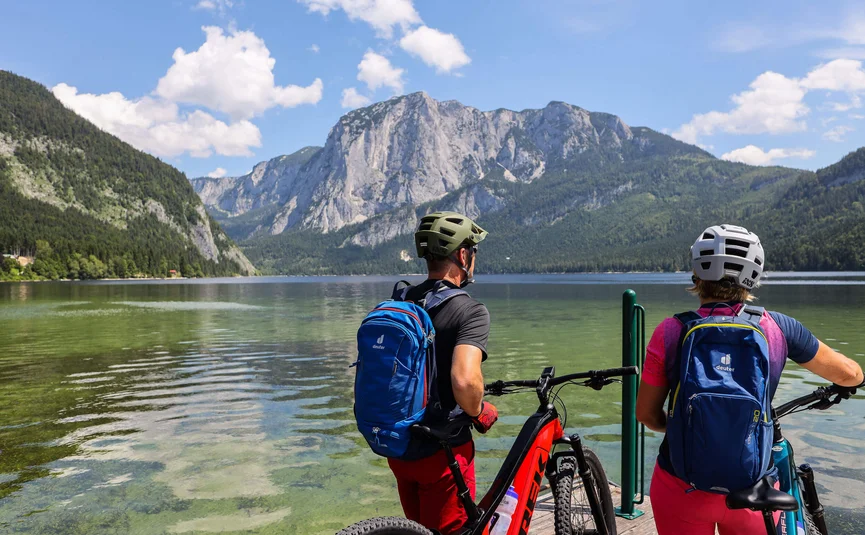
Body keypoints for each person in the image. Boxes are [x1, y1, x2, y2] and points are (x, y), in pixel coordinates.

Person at [636, 224, 864, 535]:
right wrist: (855, 379)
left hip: (681, 485)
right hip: (755, 489)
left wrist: (685, 425)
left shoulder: (670, 331)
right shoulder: (779, 328)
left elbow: (646, 414)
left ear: (697, 274)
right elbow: (850, 374)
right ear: (753, 275)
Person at [386, 211, 499, 535]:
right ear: (463, 255)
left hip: (401, 446)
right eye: (472, 252)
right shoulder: (470, 310)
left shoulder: (403, 299)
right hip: (443, 453)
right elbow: (464, 381)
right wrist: (479, 410)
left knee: (418, 529)